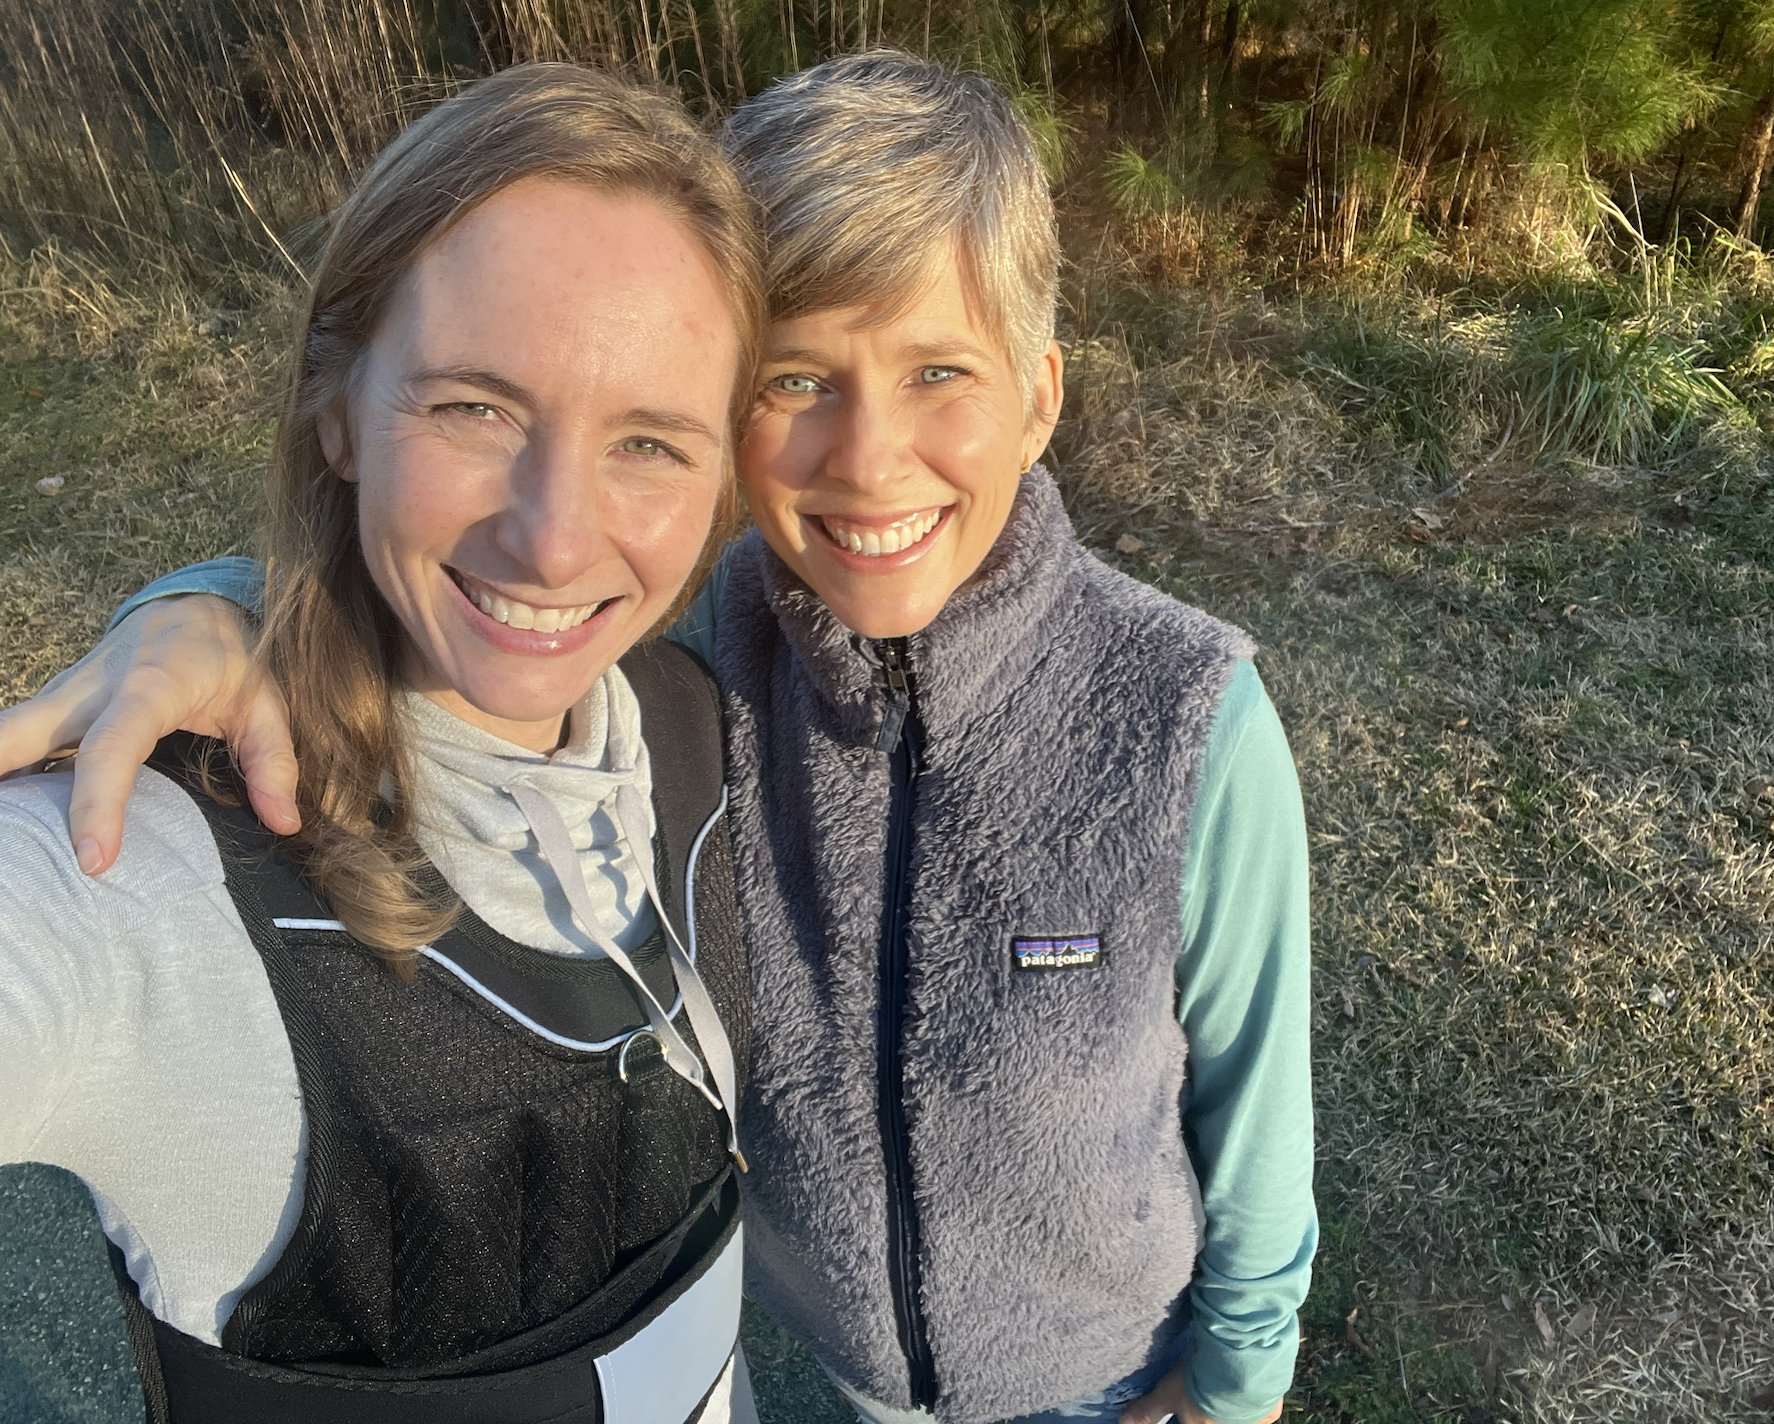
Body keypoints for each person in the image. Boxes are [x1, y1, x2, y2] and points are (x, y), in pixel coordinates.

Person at [0, 53, 1316, 1424]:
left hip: (1104, 1389)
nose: (868, 458)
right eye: (797, 378)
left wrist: (1239, 1387)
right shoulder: (703, 680)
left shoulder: (1168, 718)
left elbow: (1259, 1118)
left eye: (938, 369)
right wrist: (225, 603)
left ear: (1041, 395)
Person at [0, 62, 766, 1424]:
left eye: (648, 442)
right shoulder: (142, 873)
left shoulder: (701, 727)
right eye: (473, 408)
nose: (553, 536)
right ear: (335, 405)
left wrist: (215, 598)